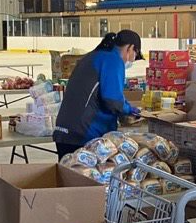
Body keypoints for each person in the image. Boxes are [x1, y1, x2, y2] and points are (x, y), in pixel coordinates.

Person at [53, 30, 142, 158]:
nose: (133, 60)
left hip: (65, 131)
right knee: (86, 177)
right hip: (84, 134)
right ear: (131, 48)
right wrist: (129, 110)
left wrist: (124, 107)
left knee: (67, 175)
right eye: (136, 55)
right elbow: (112, 100)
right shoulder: (113, 60)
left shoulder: (93, 56)